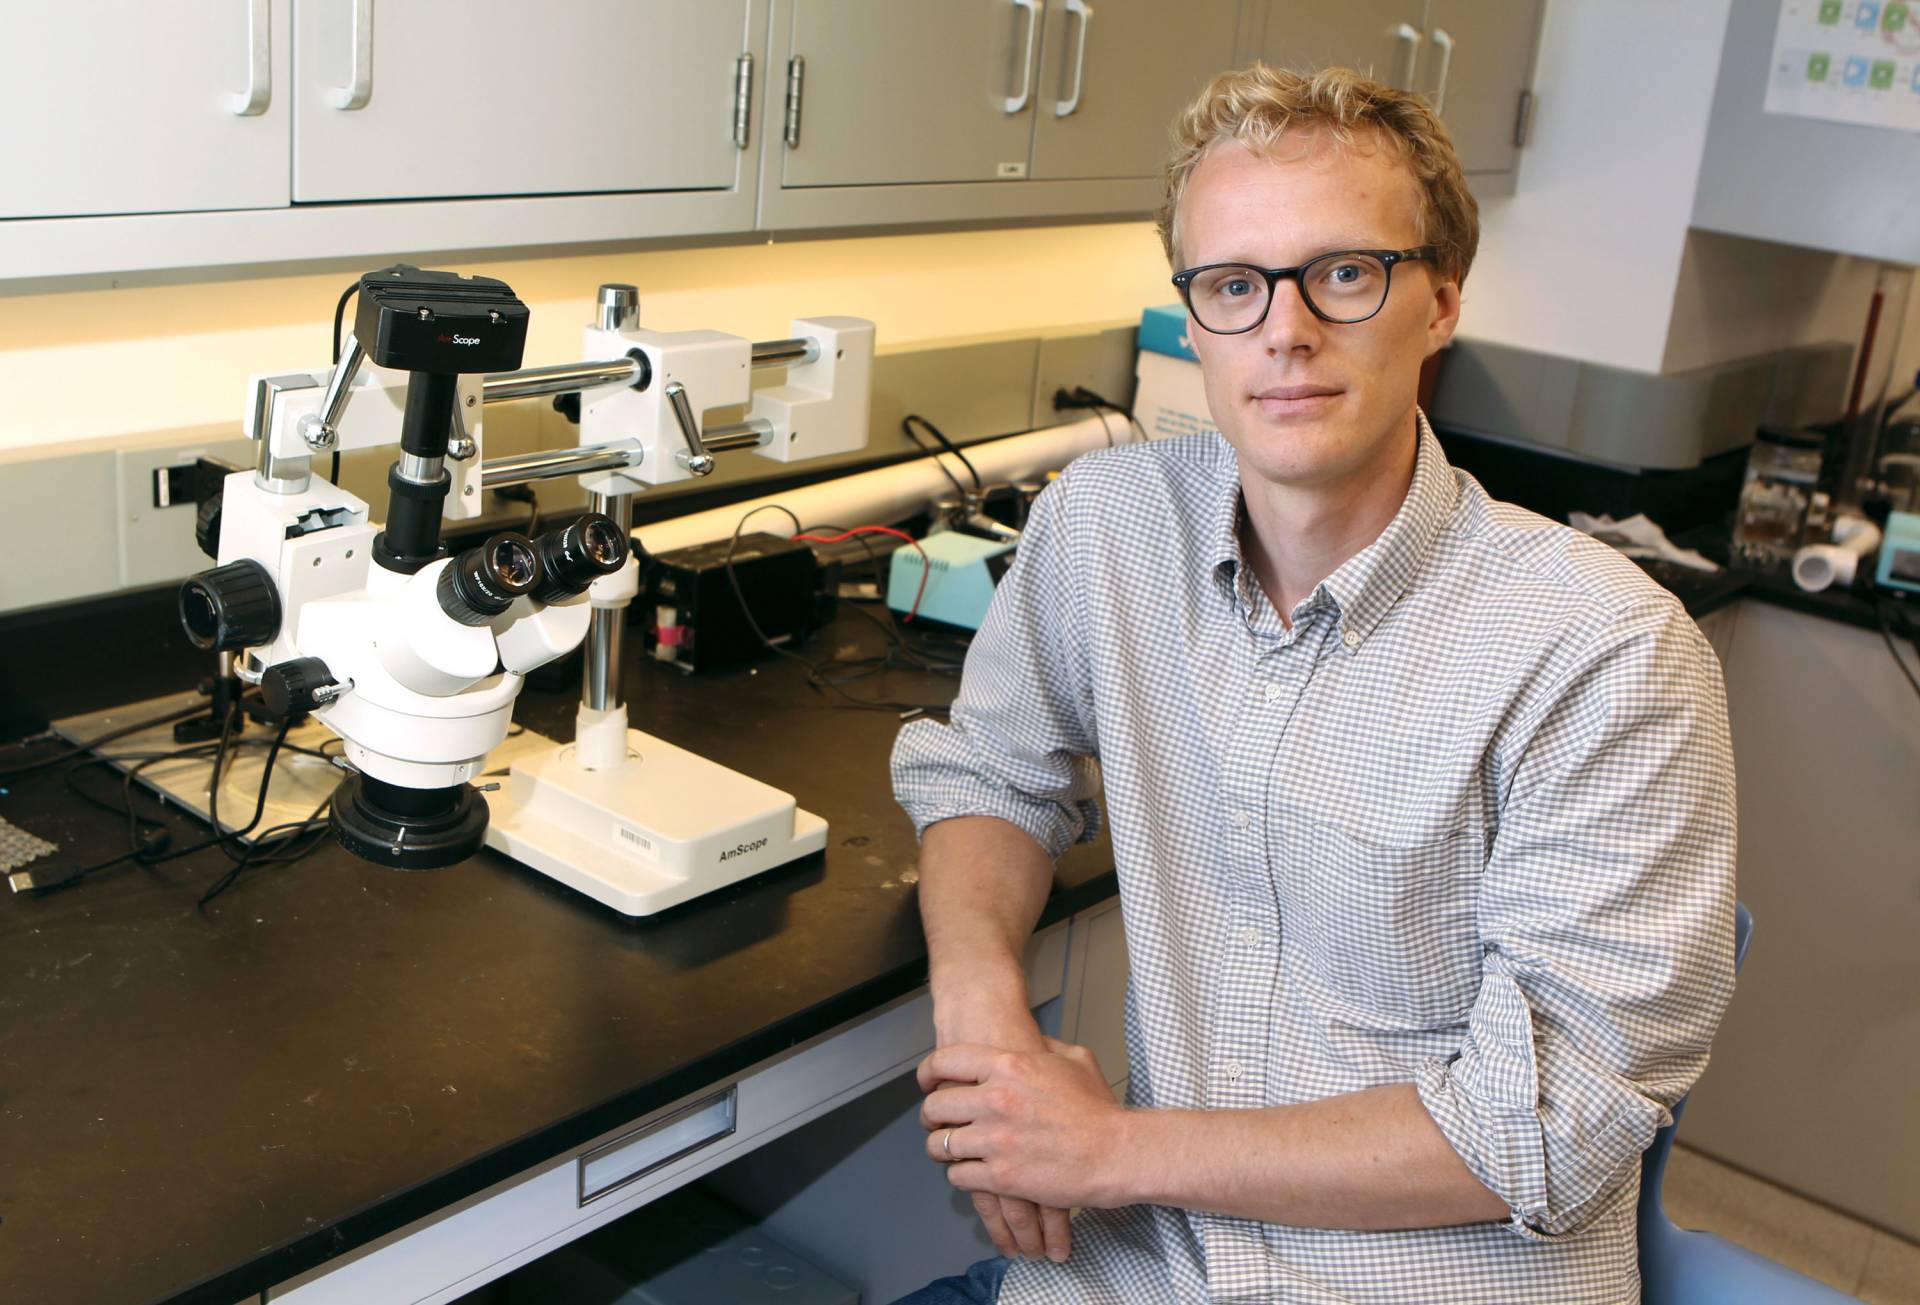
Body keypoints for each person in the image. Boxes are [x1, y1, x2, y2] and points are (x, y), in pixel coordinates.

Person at [887, 63, 1737, 1305]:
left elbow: (1544, 1127)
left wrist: (1106, 1148)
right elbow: (987, 770)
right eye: (1234, 285)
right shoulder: (1110, 527)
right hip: (1134, 1271)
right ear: (1195, 311)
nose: (1285, 331)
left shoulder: (1604, 653)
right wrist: (983, 1018)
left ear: (1440, 299)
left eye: (1345, 273)